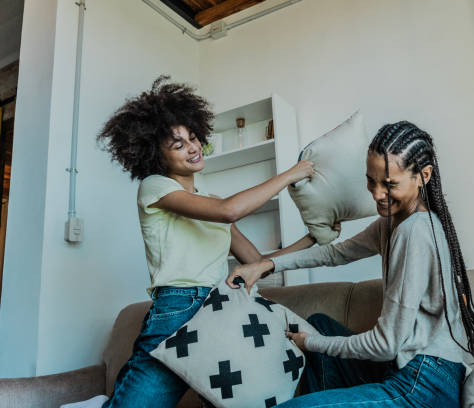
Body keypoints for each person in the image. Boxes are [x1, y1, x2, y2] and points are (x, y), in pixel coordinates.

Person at [227, 121, 474, 407]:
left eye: (390, 184)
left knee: (310, 359)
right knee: (320, 324)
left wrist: (309, 343)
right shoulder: (392, 224)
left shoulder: (414, 230)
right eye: (372, 180)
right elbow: (335, 254)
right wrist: (266, 265)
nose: (378, 194)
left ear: (423, 176)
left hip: (425, 384)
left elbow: (385, 344)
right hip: (405, 369)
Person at [97, 76, 320, 407]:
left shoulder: (209, 203)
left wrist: (313, 238)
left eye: (192, 137)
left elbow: (256, 261)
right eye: (178, 145)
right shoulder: (156, 187)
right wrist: (291, 173)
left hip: (220, 309)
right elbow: (229, 211)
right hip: (178, 307)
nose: (192, 147)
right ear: (157, 157)